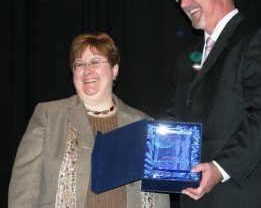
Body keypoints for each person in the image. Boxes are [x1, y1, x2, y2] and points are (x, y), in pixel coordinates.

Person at [169, 0, 261, 208]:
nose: (184, 3)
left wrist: (220, 168)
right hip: (196, 199)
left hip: (246, 196)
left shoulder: (258, 40)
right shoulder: (188, 61)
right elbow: (177, 119)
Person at [8, 33, 170, 208]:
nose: (87, 71)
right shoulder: (49, 116)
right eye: (79, 64)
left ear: (114, 69)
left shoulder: (143, 123)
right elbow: (23, 193)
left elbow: (158, 198)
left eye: (95, 62)